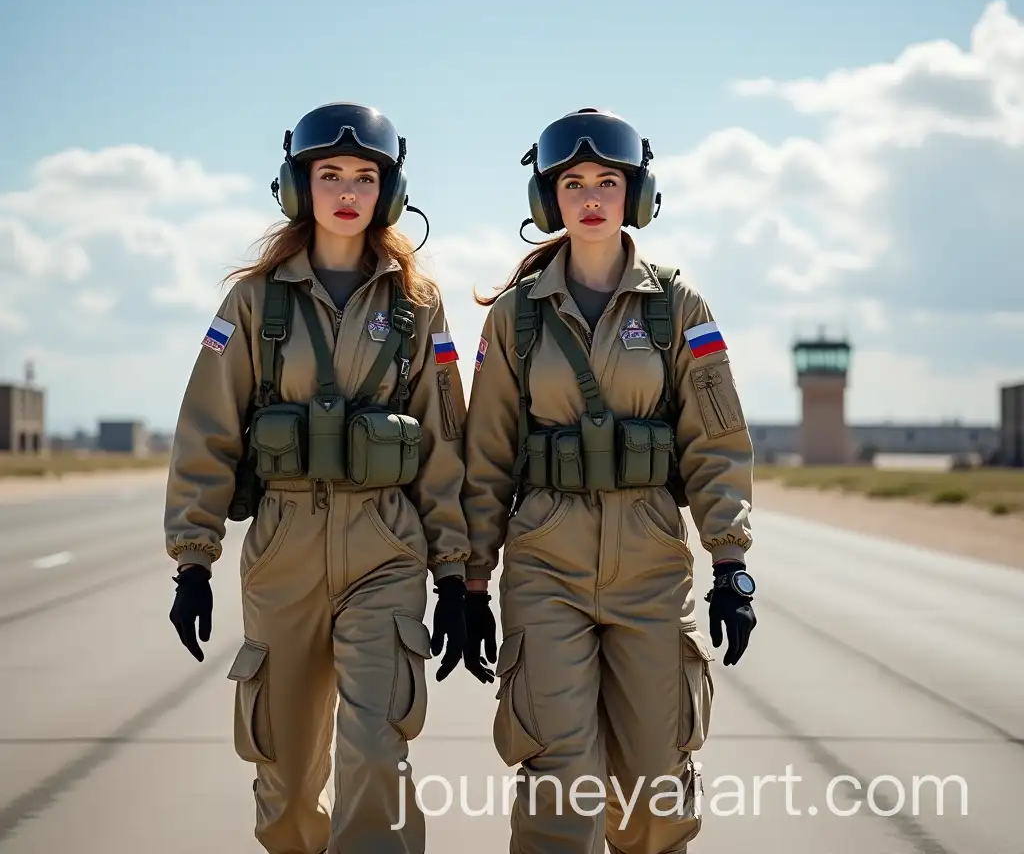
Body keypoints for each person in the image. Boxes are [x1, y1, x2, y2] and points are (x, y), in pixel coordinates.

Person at [163, 102, 482, 854]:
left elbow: (443, 443)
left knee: (376, 753)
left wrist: (454, 574)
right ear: (296, 186)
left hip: (386, 549)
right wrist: (192, 562)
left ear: (389, 192)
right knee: (284, 775)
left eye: (364, 176)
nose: (346, 190)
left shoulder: (419, 305)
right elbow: (205, 428)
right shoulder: (250, 302)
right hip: (284, 551)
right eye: (328, 173)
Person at [459, 108, 757, 853]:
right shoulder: (514, 319)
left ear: (638, 196)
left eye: (609, 182)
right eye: (573, 183)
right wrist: (468, 580)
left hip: (651, 568)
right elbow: (488, 455)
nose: (591, 197)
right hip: (545, 567)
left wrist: (731, 563)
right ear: (547, 200)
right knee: (558, 781)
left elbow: (715, 443)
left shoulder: (680, 310)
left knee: (657, 791)